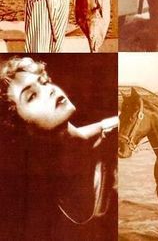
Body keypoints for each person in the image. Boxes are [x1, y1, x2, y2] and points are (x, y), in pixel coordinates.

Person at [0, 56, 117, 240]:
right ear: (19, 127)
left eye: (44, 82)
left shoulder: (116, 138)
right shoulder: (35, 202)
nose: (50, 91)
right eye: (31, 96)